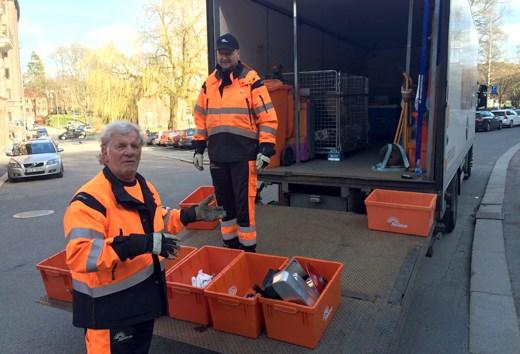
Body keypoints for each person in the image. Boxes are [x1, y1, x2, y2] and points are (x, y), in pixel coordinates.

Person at [63, 121, 225, 353]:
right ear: (104, 153)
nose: (129, 151)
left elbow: (159, 219)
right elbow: (81, 256)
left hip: (142, 303)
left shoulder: (143, 186)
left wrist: (191, 214)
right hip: (107, 313)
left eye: (134, 145)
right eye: (121, 146)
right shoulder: (89, 200)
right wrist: (139, 243)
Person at [192, 33, 278, 253]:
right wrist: (199, 148)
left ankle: (248, 252)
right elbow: (200, 116)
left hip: (243, 156)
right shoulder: (209, 83)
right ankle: (229, 247)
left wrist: (266, 148)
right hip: (218, 155)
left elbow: (267, 117)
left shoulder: (251, 80)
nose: (224, 57)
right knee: (224, 206)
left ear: (238, 54)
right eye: (221, 53)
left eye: (228, 53)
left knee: (244, 207)